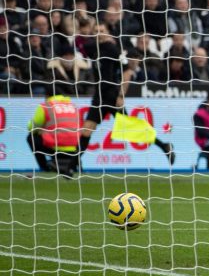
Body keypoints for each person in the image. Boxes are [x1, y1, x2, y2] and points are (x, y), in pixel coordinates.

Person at [71, 25, 175, 172]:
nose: (99, 34)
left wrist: (121, 95)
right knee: (87, 131)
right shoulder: (93, 48)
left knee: (130, 129)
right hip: (99, 97)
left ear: (108, 34)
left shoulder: (113, 49)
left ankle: (164, 145)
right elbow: (79, 42)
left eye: (102, 31)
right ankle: (71, 167)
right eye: (96, 31)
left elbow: (127, 72)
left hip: (112, 97)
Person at [27, 94, 81, 177]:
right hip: (75, 148)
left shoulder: (46, 106)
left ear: (47, 95)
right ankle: (75, 165)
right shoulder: (73, 106)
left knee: (31, 137)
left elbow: (32, 127)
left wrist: (43, 130)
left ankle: (45, 168)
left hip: (55, 147)